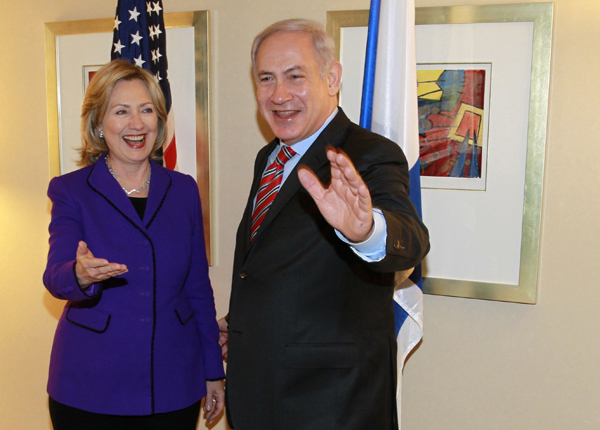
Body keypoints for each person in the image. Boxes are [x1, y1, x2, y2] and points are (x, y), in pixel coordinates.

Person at [219, 19, 430, 430]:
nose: (279, 95)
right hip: (258, 396)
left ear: (331, 77)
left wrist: (367, 231)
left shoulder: (370, 154)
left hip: (331, 406)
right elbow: (284, 268)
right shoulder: (269, 158)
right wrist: (244, 320)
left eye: (294, 76)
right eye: (266, 79)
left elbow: (412, 239)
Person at [43, 59, 225, 429]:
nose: (136, 124)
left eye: (146, 110)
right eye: (121, 111)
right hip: (91, 384)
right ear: (98, 122)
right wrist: (79, 275)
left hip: (173, 381)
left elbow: (197, 289)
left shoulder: (184, 189)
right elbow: (56, 276)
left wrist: (212, 370)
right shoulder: (70, 190)